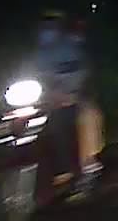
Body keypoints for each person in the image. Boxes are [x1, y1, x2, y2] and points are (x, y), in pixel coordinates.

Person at [34, 10, 103, 191]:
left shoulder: (70, 47)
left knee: (87, 115)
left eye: (52, 23)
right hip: (46, 100)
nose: (48, 28)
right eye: (46, 23)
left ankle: (88, 165)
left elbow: (82, 71)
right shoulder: (39, 52)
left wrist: (70, 92)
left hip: (73, 97)